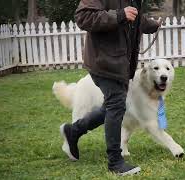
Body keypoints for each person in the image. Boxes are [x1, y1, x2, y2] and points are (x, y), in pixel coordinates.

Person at [59, 0, 160, 176]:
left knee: (111, 107)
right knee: (116, 105)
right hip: (103, 62)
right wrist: (120, 15)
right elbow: (83, 17)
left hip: (120, 64)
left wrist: (152, 25)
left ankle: (72, 131)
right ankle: (115, 162)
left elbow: (135, 18)